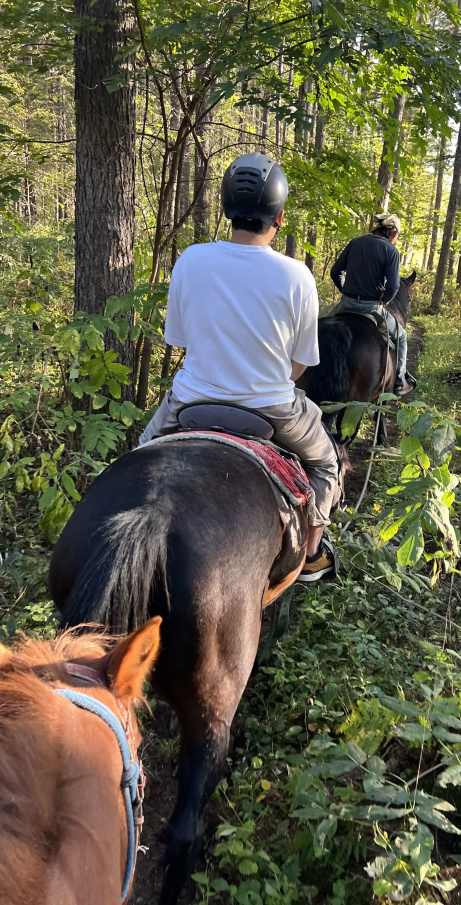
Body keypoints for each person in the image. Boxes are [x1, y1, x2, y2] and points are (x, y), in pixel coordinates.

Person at [139, 152, 339, 583]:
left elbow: (180, 340)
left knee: (138, 456)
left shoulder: (190, 259)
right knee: (326, 463)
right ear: (280, 216)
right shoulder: (297, 276)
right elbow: (301, 365)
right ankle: (312, 555)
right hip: (272, 409)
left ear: (226, 209)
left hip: (191, 401)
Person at [329, 213, 414, 396]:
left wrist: (345, 292)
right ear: (392, 233)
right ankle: (400, 381)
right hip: (372, 307)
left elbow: (336, 271)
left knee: (319, 327)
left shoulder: (355, 243)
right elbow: (393, 286)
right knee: (402, 338)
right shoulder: (391, 251)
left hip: (346, 304)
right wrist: (383, 301)